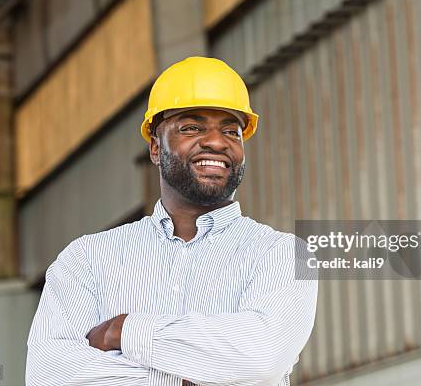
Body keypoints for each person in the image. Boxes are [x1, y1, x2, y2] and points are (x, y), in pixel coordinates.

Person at [25, 56, 318, 386]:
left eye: (231, 131)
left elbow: (262, 356)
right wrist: (180, 380)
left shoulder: (287, 254)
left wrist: (124, 330)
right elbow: (48, 374)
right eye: (192, 127)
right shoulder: (88, 259)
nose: (216, 141)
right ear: (154, 147)